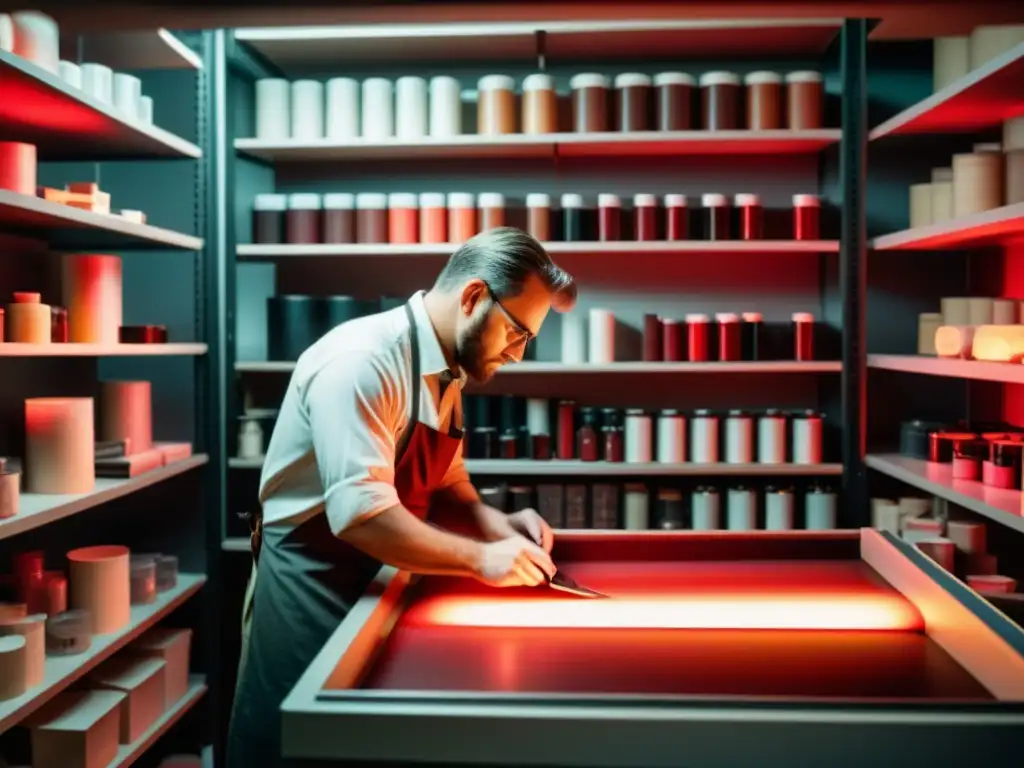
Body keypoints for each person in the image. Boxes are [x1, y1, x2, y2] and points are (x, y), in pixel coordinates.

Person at [226, 226, 577, 767]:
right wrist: (483, 560)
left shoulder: (447, 368)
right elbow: (361, 518)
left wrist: (490, 521)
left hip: (381, 583)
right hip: (312, 586)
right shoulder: (363, 362)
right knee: (292, 748)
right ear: (473, 297)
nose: (517, 354)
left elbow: (446, 478)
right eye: (516, 333)